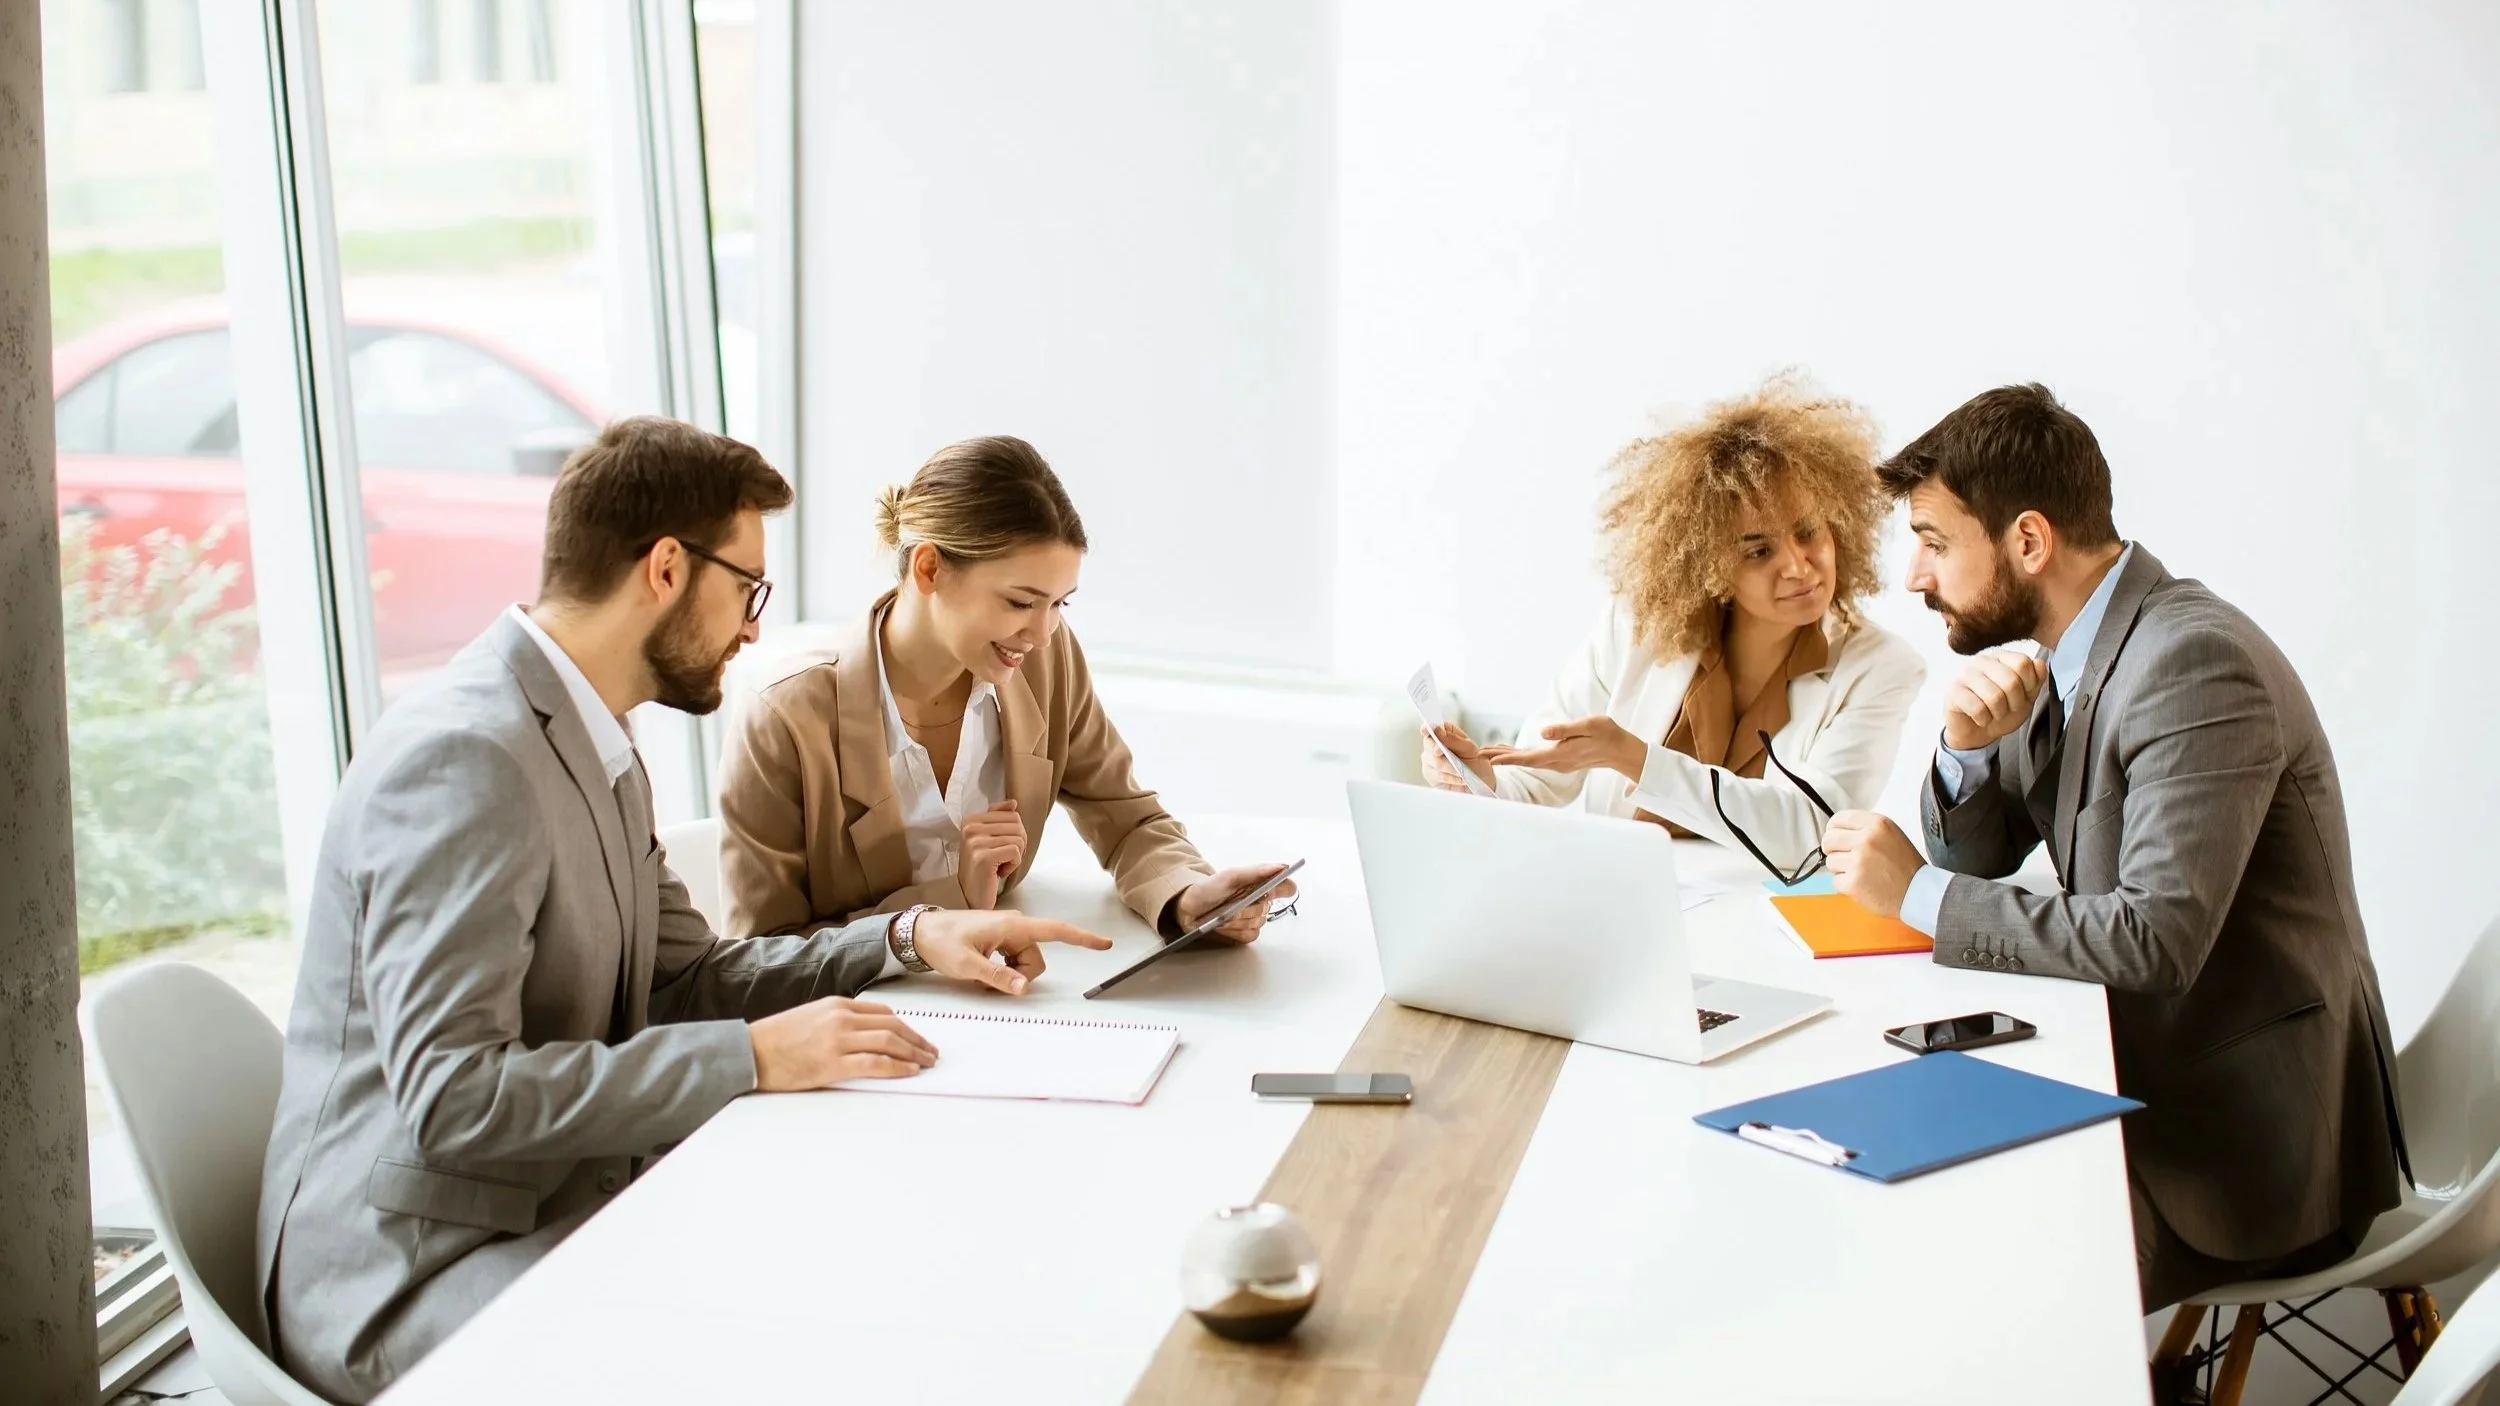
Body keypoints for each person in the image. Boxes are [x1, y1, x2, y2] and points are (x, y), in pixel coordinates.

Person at [255, 418, 1107, 1403]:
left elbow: (685, 979)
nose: (753, 627)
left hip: (549, 1200)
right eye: (747, 588)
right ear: (666, 567)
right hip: (408, 1272)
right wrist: (752, 1057)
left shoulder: (588, 735)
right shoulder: (469, 757)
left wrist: (911, 935)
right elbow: (452, 1098)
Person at [1816, 383, 2406, 1313]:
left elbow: (2155, 939)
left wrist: (1916, 896)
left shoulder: (2189, 664)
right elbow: (1983, 855)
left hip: (2245, 1149)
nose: (1912, 576)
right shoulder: (2067, 647)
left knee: (1983, 1274)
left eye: (1933, 541)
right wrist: (1967, 755)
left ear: (2028, 541)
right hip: (2137, 1075)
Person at [715, 434, 1297, 948]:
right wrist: (948, 901)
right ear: (929, 570)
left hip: (1010, 1004)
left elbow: (1126, 817)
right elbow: (761, 957)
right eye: (1020, 602)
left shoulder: (1045, 660)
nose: (1043, 633)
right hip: (859, 1031)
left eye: (1058, 604)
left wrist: (1187, 896)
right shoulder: (786, 717)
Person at [1426, 375, 1925, 879]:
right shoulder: (1636, 628)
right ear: (1710, 566)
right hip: (1623, 902)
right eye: (1758, 551)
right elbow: (1537, 780)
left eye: (1808, 532)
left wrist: (1638, 760)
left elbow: (1813, 835)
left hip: (1770, 931)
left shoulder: (1882, 668)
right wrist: (1478, 779)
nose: (1798, 566)